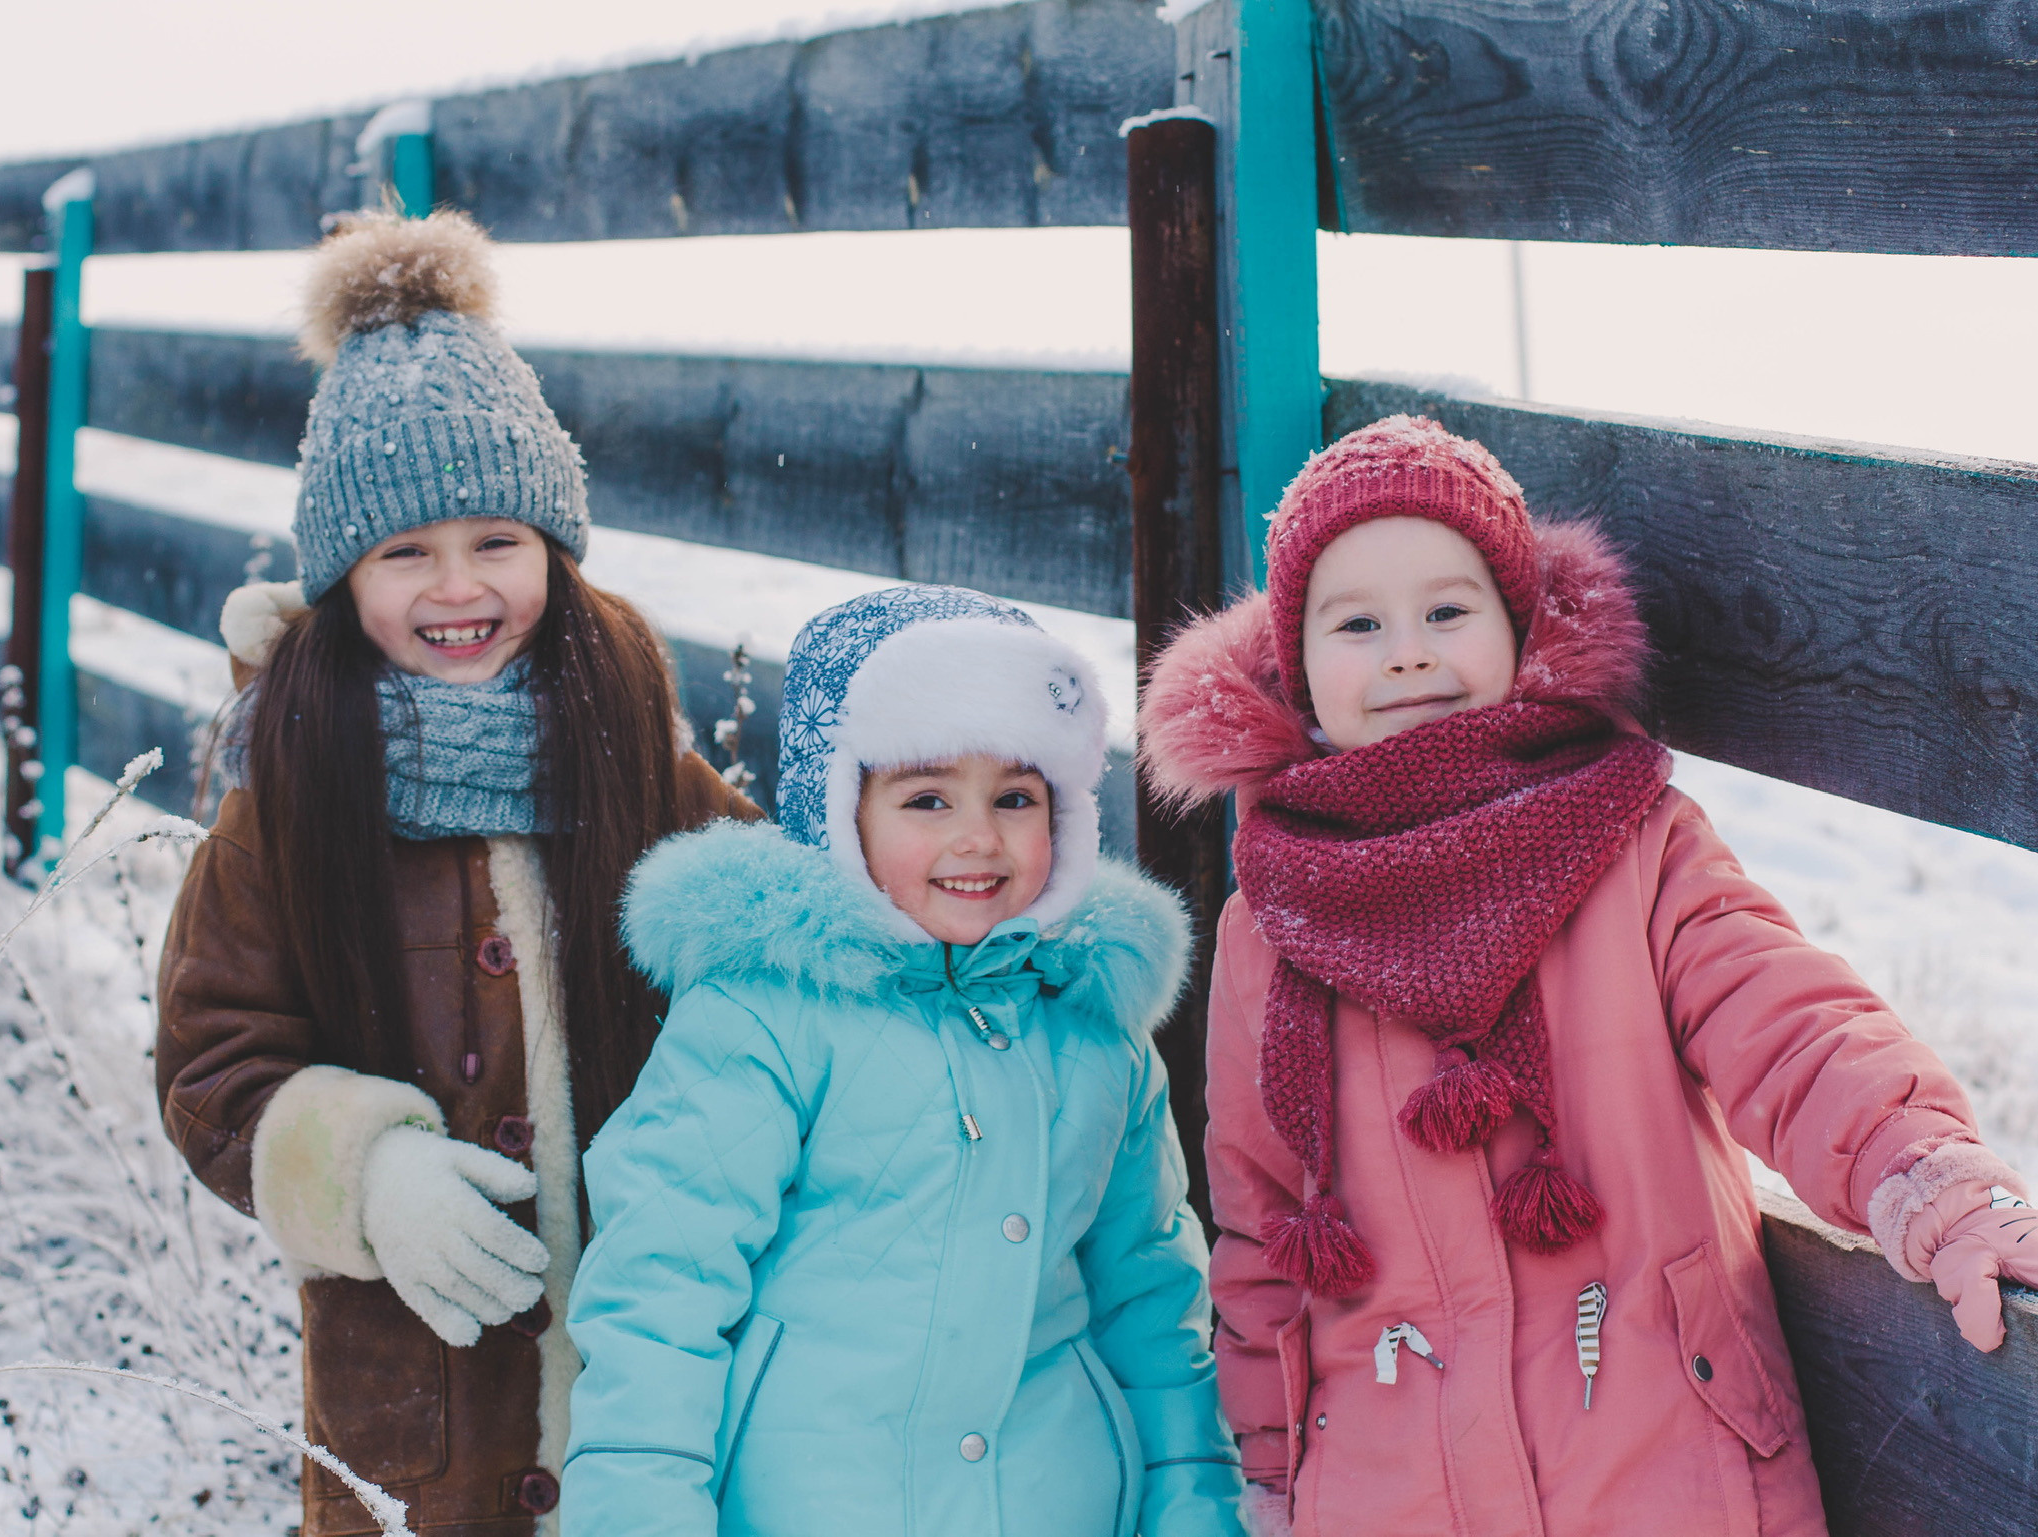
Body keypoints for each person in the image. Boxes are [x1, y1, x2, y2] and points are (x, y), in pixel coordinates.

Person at [1138, 416, 2037, 1537]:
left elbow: (1789, 1028)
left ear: (1519, 629)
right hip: (1383, 1492)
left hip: (1670, 1467)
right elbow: (1262, 1227)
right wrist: (1266, 1476)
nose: (1407, 650)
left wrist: (1927, 1174)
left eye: (1448, 611)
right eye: (1357, 622)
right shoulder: (1270, 922)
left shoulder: (1632, 842)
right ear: (1297, 666)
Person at [155, 211, 760, 1537]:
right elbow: (212, 1064)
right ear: (341, 577)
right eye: (404, 552)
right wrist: (363, 1175)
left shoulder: (630, 753)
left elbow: (769, 931)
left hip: (644, 1397)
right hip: (413, 1427)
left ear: (554, 544)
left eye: (496, 539)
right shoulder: (293, 793)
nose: (457, 587)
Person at [561, 586, 1243, 1537]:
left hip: (1061, 1501)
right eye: (927, 798)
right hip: (811, 1504)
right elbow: (661, 1296)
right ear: (841, 812)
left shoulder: (1096, 1033)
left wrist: (1195, 1505)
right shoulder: (762, 1018)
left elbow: (1154, 1300)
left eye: (1015, 797)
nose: (978, 837)